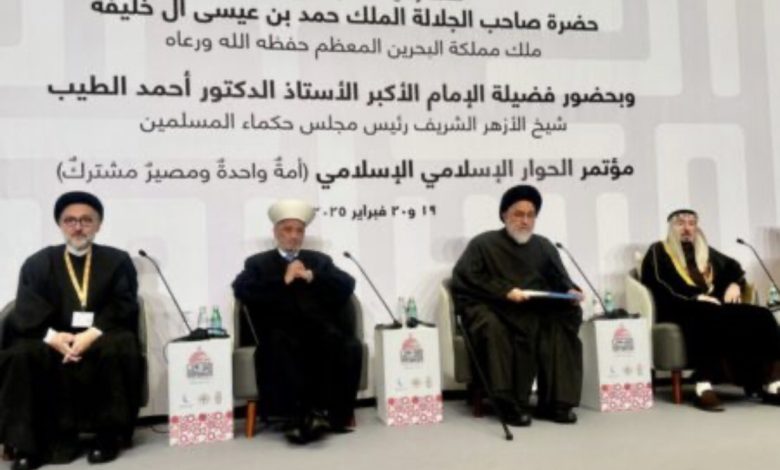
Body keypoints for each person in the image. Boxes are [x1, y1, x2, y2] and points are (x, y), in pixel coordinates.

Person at [0, 191, 143, 469]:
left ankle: (107, 437)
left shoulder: (117, 261)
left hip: (100, 333)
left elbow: (124, 302)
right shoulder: (38, 262)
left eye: (86, 220)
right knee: (20, 354)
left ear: (98, 224)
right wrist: (54, 338)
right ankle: (28, 445)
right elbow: (26, 307)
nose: (78, 227)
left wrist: (91, 333)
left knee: (119, 345)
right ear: (60, 224)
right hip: (53, 337)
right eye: (70, 220)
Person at [451, 185, 584, 427]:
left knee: (565, 316)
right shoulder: (483, 244)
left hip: (532, 308)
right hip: (494, 306)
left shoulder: (543, 246)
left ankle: (556, 403)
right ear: (504, 215)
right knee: (492, 325)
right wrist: (504, 292)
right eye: (518, 214)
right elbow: (466, 278)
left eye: (530, 215)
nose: (525, 221)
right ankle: (507, 402)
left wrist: (570, 291)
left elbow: (559, 279)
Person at [232, 199, 362, 444]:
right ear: (276, 232)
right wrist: (284, 280)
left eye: (299, 230)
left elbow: (347, 284)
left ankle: (335, 417)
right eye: (287, 230)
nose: (294, 236)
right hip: (279, 328)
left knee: (348, 345)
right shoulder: (257, 263)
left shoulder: (320, 261)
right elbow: (242, 289)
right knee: (282, 347)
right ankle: (297, 417)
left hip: (319, 328)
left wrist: (313, 276)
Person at [641, 209, 780, 411]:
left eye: (691, 224)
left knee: (762, 315)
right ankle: (703, 386)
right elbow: (659, 282)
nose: (687, 228)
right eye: (681, 224)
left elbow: (733, 267)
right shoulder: (659, 250)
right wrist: (695, 296)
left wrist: (735, 284)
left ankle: (772, 383)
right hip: (678, 306)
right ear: (671, 228)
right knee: (707, 313)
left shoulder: (704, 250)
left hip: (712, 306)